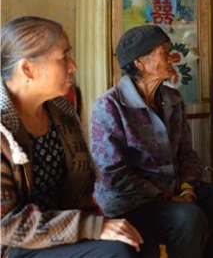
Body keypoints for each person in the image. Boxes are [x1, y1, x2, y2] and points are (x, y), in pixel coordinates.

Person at [90, 25, 213, 258]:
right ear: (140, 63)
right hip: (133, 203)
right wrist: (168, 197)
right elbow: (113, 175)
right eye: (164, 52)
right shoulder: (109, 106)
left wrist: (187, 189)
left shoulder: (172, 99)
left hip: (175, 192)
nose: (172, 57)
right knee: (187, 216)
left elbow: (187, 154)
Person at [1, 16, 143, 258]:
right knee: (115, 251)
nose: (73, 66)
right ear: (27, 69)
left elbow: (81, 189)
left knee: (138, 235)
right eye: (63, 57)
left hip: (63, 232)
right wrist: (91, 227)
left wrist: (96, 226)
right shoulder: (3, 127)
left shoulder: (61, 112)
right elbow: (5, 225)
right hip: (15, 245)